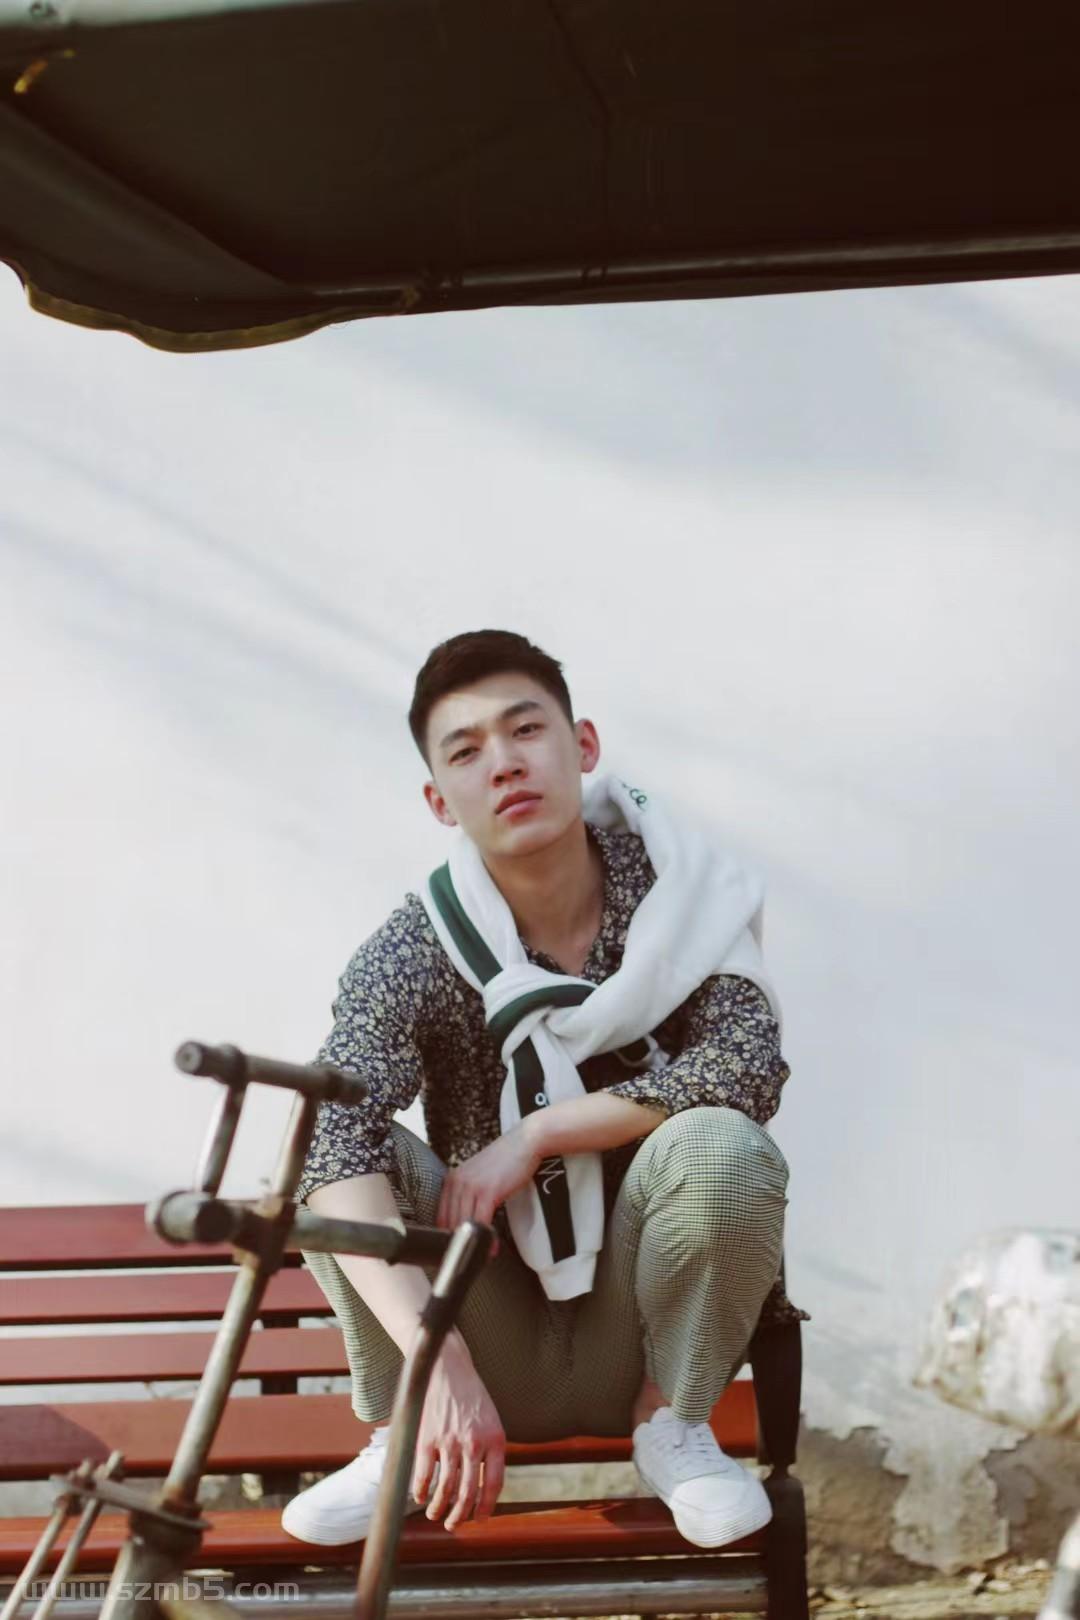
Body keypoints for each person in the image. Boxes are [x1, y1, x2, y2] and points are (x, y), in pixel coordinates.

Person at [282, 628, 803, 1551]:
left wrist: (540, 1134)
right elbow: (333, 1141)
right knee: (329, 1155)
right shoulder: (419, 946)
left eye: (526, 730)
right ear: (440, 801)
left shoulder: (681, 895)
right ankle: (406, 1430)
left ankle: (673, 1428)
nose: (505, 765)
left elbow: (747, 1063)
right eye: (466, 752)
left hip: (641, 1330)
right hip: (484, 1320)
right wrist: (437, 1358)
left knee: (723, 1143)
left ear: (583, 746)